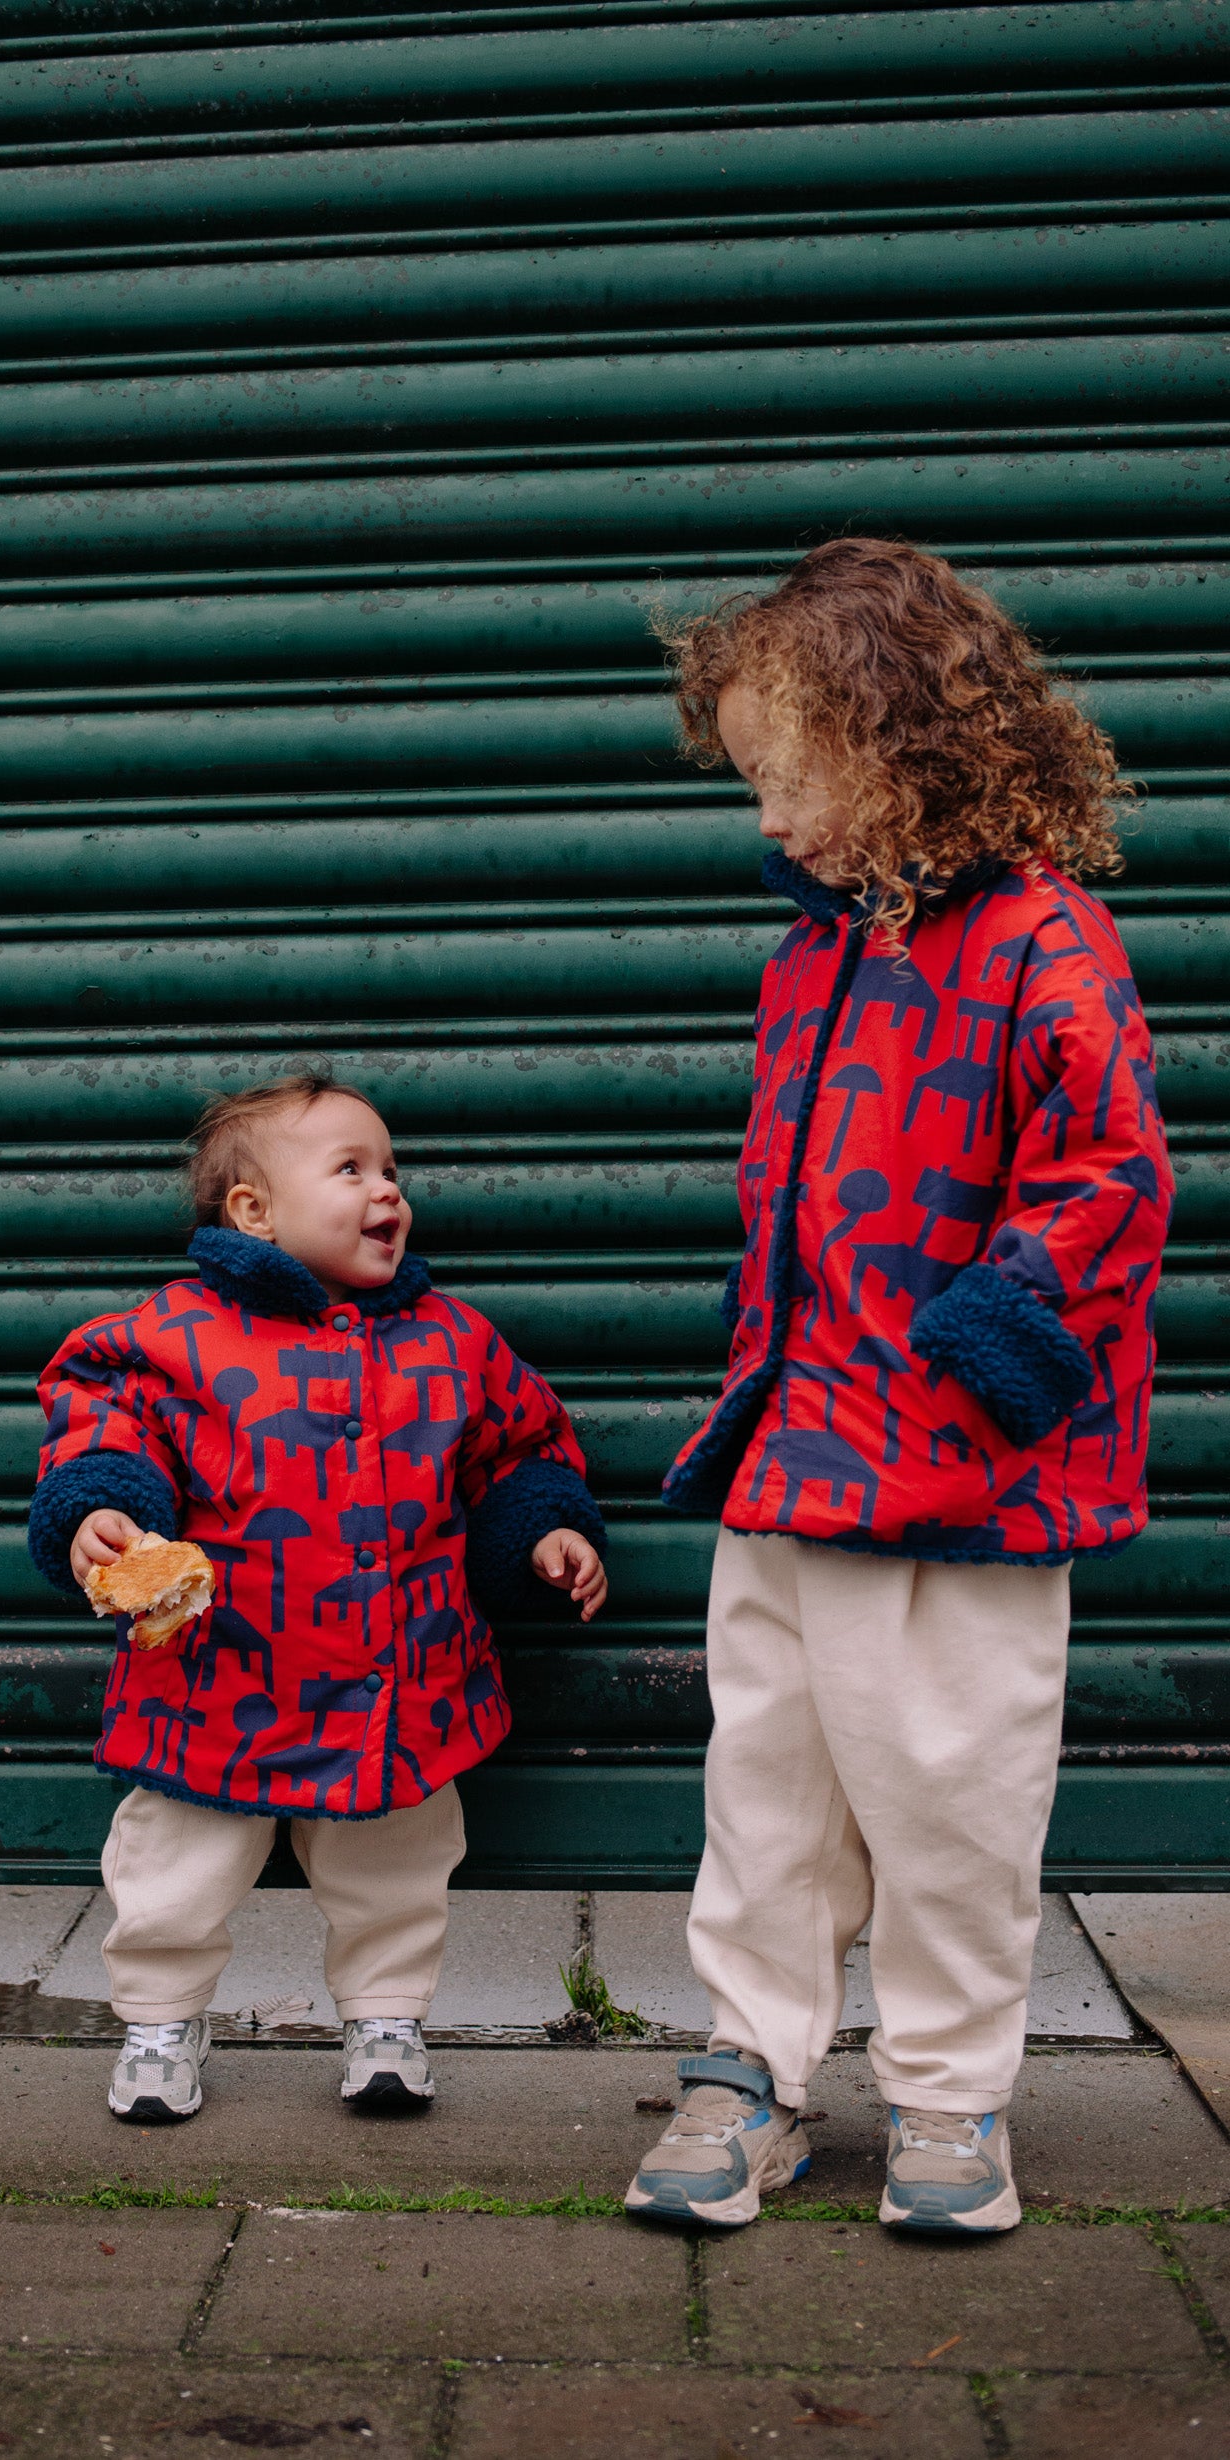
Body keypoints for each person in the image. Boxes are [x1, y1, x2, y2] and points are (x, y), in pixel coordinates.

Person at [626, 539, 1170, 2235]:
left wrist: (978, 1362)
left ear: (907, 746)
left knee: (951, 1802)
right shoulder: (822, 953)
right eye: (754, 785)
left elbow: (1112, 1179)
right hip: (793, 1459)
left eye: (791, 781)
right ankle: (753, 2063)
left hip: (958, 1479)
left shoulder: (1041, 945)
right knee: (768, 1784)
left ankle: (948, 2094)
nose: (769, 822)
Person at [27, 1068, 607, 2123]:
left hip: (400, 1680)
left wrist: (543, 1526)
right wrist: (99, 1512)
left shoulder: (450, 1340)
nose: (388, 1191)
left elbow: (519, 1447)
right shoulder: (171, 1337)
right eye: (351, 1169)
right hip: (218, 1678)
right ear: (253, 1211)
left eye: (391, 1170)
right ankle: (160, 2020)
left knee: (397, 1862)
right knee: (174, 1867)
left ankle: (385, 2019)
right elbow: (101, 1424)